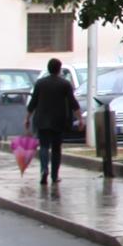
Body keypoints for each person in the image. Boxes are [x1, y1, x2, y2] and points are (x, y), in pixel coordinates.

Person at [25, 57, 80, 189]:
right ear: (59, 69)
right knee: (56, 148)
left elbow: (33, 103)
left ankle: (44, 170)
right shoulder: (65, 84)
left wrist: (27, 118)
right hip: (59, 121)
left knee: (44, 146)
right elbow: (73, 103)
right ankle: (55, 175)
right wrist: (81, 119)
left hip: (42, 120)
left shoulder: (40, 83)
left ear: (48, 69)